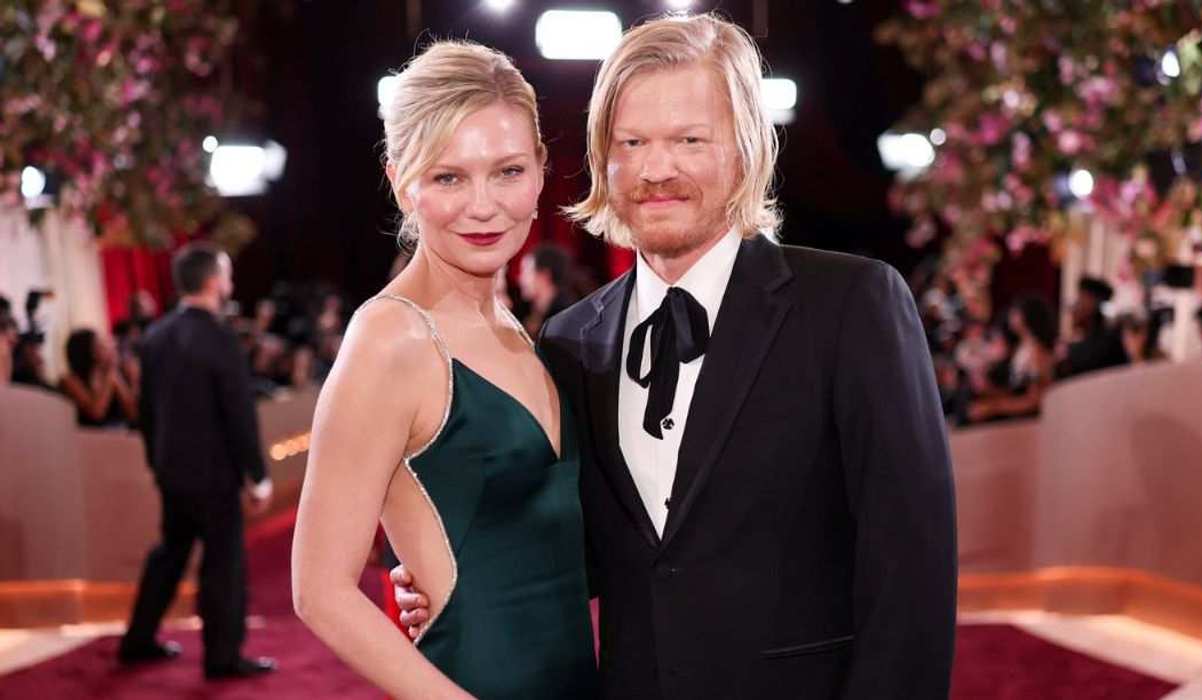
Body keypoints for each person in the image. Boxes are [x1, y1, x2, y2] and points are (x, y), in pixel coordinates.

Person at [396, 13, 958, 699]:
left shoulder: (850, 306)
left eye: (689, 140)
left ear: (744, 151)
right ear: (604, 158)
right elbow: (589, 557)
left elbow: (911, 567)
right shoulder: (570, 342)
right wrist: (460, 578)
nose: (656, 169)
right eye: (631, 142)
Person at [290, 41, 597, 699]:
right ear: (401, 180)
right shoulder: (391, 337)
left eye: (508, 171)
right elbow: (318, 590)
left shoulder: (517, 331)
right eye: (448, 176)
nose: (482, 205)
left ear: (542, 170)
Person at [118, 243, 276, 680]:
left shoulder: (155, 336)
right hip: (215, 473)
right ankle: (222, 658)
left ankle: (138, 639)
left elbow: (146, 412)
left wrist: (156, 462)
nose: (230, 283)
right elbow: (238, 412)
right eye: (226, 274)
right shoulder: (220, 337)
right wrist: (257, 476)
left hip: (171, 470)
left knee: (170, 552)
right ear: (212, 282)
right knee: (223, 563)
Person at [968, 296, 1058, 422]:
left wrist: (993, 408)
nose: (1011, 314)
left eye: (1016, 312)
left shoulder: (1037, 352)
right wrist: (990, 393)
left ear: (1027, 316)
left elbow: (1034, 401)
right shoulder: (1022, 347)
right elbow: (1015, 389)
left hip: (1024, 420)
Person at [59, 328, 139, 427]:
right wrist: (110, 376)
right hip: (87, 437)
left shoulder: (112, 374)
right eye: (101, 346)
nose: (111, 348)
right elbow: (96, 413)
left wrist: (134, 381)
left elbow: (133, 414)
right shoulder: (69, 380)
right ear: (89, 351)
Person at [1056, 276, 1128, 379]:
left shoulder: (1107, 342)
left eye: (1080, 299)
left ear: (1092, 303)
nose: (1074, 308)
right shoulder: (1082, 341)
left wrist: (1067, 354)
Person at [517, 243, 576, 336]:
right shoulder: (525, 311)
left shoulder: (565, 319)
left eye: (526, 272)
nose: (520, 279)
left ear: (545, 276)